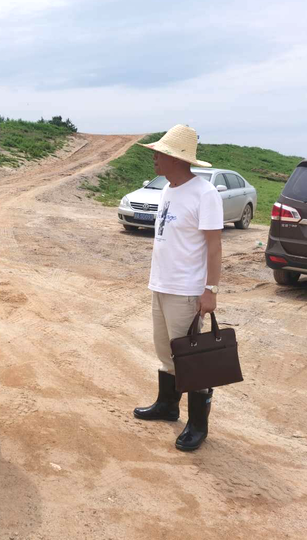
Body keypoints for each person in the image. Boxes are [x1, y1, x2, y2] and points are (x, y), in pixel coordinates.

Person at [133, 124, 223, 451]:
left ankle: (198, 424)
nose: (155, 158)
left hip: (187, 290)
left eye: (160, 153)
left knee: (190, 358)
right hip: (161, 284)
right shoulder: (168, 190)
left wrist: (210, 289)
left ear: (176, 158)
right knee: (165, 350)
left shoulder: (205, 194)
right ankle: (167, 405)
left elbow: (214, 246)